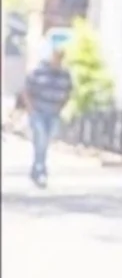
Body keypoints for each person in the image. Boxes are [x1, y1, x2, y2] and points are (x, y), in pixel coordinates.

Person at [23, 43, 73, 186]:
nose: (58, 60)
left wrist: (61, 106)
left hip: (53, 113)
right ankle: (40, 171)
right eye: (56, 56)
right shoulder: (39, 71)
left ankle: (36, 168)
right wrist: (30, 109)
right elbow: (27, 89)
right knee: (41, 140)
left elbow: (68, 92)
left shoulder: (65, 74)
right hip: (38, 111)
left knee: (46, 142)